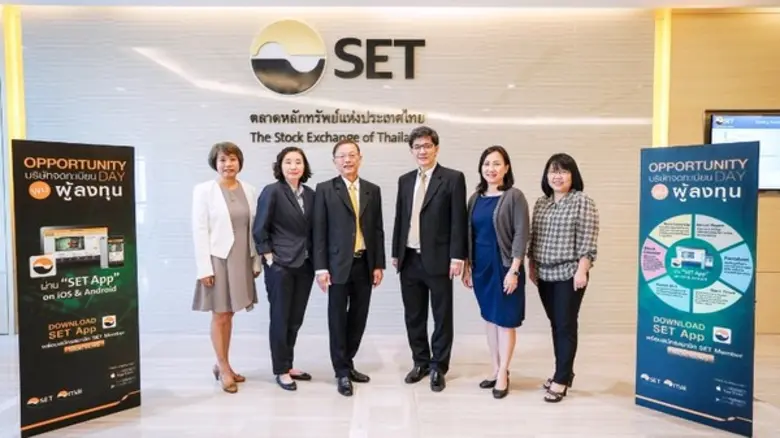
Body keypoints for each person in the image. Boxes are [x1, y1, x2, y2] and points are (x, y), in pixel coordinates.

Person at [391, 125, 467, 392]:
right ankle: (420, 362)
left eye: (427, 146)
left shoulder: (453, 178)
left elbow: (458, 220)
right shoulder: (405, 180)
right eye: (417, 147)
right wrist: (396, 252)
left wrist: (457, 256)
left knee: (442, 315)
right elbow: (400, 218)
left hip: (440, 259)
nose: (422, 151)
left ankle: (438, 367)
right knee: (414, 315)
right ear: (411, 151)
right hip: (409, 258)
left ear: (436, 148)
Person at [313, 139, 385, 397]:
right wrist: (321, 268)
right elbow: (319, 231)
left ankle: (348, 361)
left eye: (352, 155)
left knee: (358, 317)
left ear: (360, 158)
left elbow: (377, 229)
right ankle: (341, 371)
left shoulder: (372, 190)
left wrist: (378, 264)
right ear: (335, 161)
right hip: (336, 265)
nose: (347, 160)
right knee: (337, 319)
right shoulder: (324, 189)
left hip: (364, 263)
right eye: (342, 156)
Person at [527, 152, 599, 403]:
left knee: (566, 324)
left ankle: (561, 379)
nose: (557, 176)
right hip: (544, 273)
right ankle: (564, 372)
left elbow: (588, 240)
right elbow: (534, 237)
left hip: (570, 274)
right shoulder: (541, 203)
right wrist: (531, 265)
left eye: (563, 171)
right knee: (556, 324)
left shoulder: (582, 202)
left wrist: (582, 270)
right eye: (553, 171)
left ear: (573, 175)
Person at [191, 141, 262, 394]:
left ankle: (224, 363)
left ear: (239, 162)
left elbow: (255, 229)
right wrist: (204, 268)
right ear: (215, 163)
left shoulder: (250, 189)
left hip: (242, 258)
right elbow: (199, 230)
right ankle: (222, 366)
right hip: (218, 259)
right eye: (222, 160)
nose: (227, 164)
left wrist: (255, 260)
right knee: (220, 314)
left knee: (230, 314)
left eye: (232, 159)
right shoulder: (204, 191)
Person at [462, 145, 529, 399]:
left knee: (504, 320)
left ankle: (503, 372)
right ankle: (494, 367)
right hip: (481, 268)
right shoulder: (475, 198)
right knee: (489, 319)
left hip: (504, 266)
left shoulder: (514, 196)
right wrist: (467, 266)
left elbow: (522, 234)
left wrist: (514, 270)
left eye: (497, 163)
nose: (491, 168)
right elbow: (469, 235)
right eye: (487, 163)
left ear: (506, 168)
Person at [252, 146, 316, 391]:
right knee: (280, 318)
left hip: (305, 264)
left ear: (304, 166)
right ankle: (280, 369)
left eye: (298, 161)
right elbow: (260, 228)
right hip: (280, 265)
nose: (293, 166)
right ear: (280, 166)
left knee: (295, 318)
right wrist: (269, 257)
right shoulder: (273, 191)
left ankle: (288, 364)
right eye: (288, 161)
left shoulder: (310, 194)